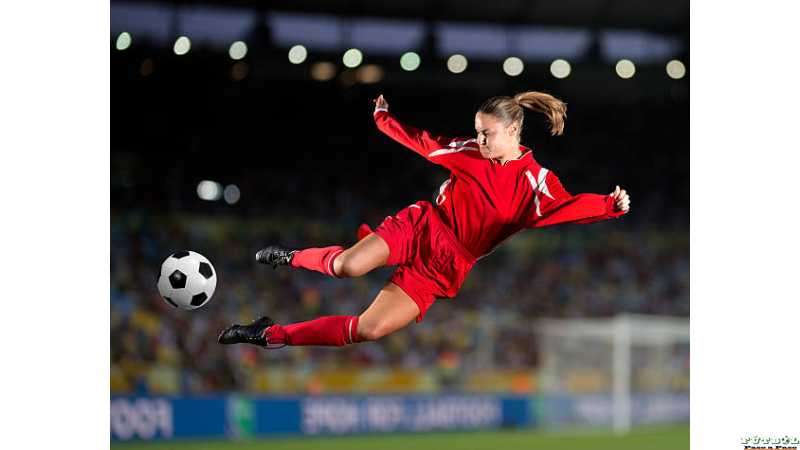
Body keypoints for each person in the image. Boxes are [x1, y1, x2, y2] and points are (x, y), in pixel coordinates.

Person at [218, 91, 630, 349]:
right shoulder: (470, 152)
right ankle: (290, 256)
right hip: (423, 227)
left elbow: (566, 206)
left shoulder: (537, 183)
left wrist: (607, 205)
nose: (481, 140)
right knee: (347, 266)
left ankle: (269, 334)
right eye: (477, 131)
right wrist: (384, 120)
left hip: (447, 266)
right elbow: (425, 143)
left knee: (368, 330)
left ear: (515, 129)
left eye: (488, 133)